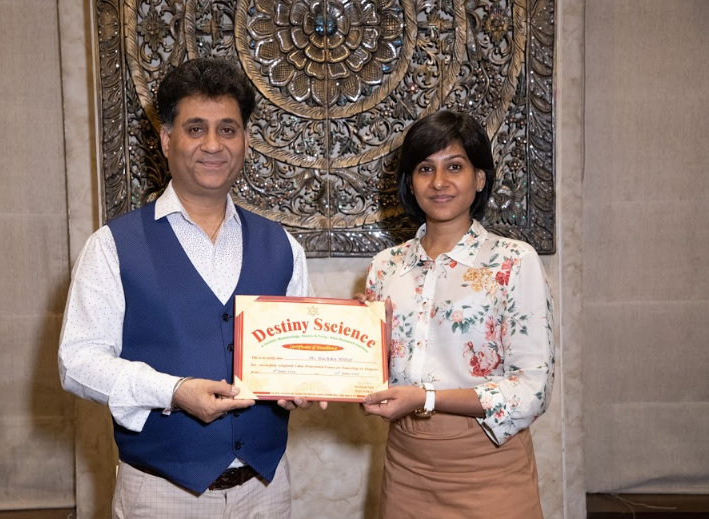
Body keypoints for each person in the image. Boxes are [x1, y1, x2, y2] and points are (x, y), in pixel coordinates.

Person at [58, 57, 321, 519]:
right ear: (166, 139)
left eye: (228, 129)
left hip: (265, 491)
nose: (213, 145)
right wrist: (173, 391)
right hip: (160, 495)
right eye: (196, 128)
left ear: (245, 140)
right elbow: (77, 362)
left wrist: (305, 380)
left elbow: (300, 350)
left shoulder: (282, 245)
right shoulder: (112, 245)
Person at [359, 110, 554, 518]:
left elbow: (532, 389)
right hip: (406, 468)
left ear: (479, 178)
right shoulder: (385, 267)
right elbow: (375, 378)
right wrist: (357, 350)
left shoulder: (513, 262)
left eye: (454, 167)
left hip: (489, 467)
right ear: (410, 182)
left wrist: (427, 397)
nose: (439, 182)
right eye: (424, 169)